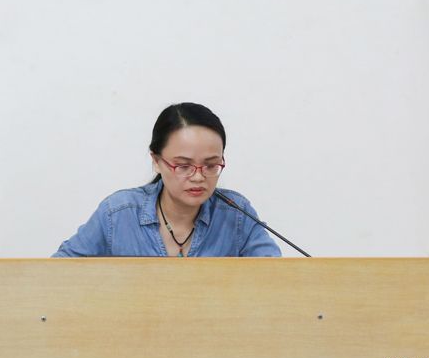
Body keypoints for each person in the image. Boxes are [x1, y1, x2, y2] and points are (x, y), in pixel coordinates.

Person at [51, 102, 282, 257]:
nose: (198, 177)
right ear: (156, 161)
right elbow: (59, 274)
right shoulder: (118, 214)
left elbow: (276, 279)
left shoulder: (237, 215)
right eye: (183, 166)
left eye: (211, 165)